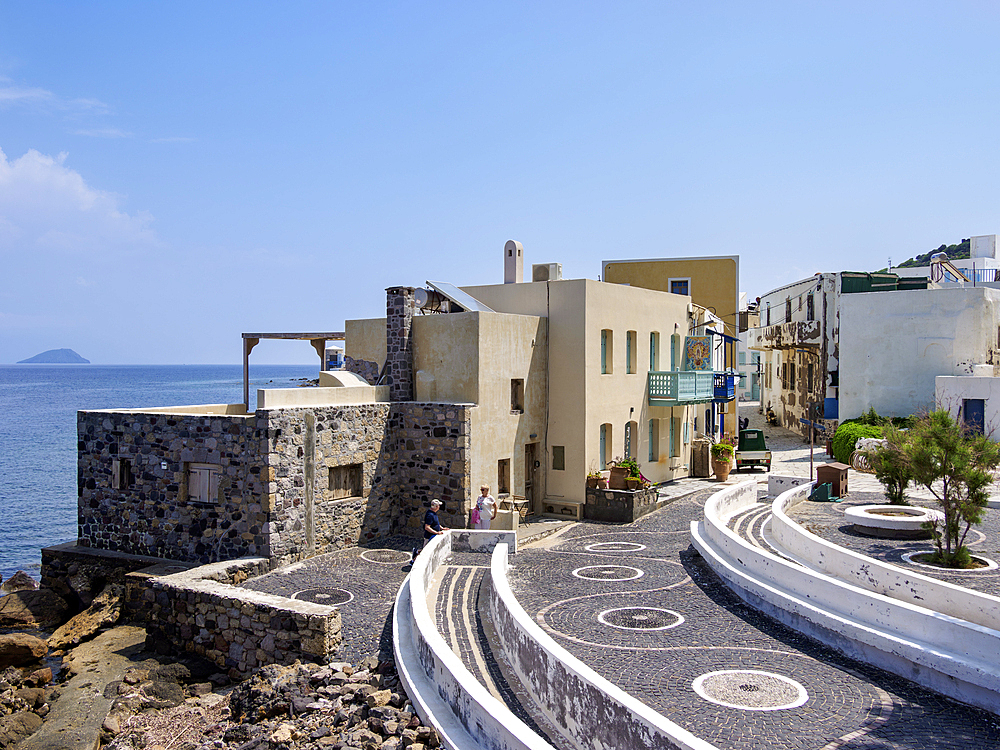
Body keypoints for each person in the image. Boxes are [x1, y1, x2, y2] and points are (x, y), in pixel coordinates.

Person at [411, 499, 449, 563]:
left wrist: (442, 528)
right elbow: (427, 527)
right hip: (429, 536)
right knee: (424, 551)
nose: (439, 507)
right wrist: (436, 532)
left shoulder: (433, 514)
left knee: (425, 549)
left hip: (432, 536)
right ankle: (413, 561)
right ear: (436, 506)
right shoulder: (430, 515)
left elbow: (436, 523)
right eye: (439, 505)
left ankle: (416, 551)